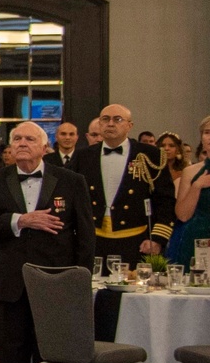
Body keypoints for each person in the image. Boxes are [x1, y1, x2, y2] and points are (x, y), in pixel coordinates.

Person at [0, 121, 95, 363]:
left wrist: (80, 279)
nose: (22, 143)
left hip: (56, 279)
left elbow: (85, 235)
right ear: (10, 147)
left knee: (53, 347)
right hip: (10, 279)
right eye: (17, 139)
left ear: (45, 147)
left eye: (30, 138)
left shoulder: (71, 180)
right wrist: (21, 220)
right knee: (13, 349)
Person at [71, 103, 174, 263]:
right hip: (93, 240)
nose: (110, 124)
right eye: (105, 119)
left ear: (129, 126)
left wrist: (157, 238)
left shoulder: (150, 155)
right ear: (99, 124)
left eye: (117, 119)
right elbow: (72, 198)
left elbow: (165, 200)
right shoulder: (82, 156)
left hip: (136, 240)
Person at [166, 117, 210, 270]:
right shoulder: (190, 172)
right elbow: (183, 215)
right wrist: (197, 186)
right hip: (197, 239)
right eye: (207, 132)